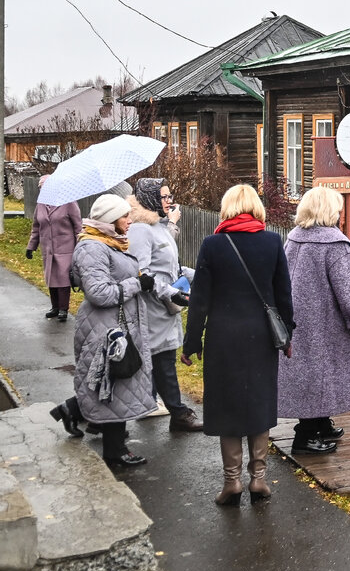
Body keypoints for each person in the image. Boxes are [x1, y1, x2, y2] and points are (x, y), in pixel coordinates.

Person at [181, 184, 293, 506]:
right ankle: (259, 479)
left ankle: (232, 481)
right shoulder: (272, 242)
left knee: (226, 404)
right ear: (256, 208)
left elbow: (199, 298)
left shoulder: (213, 244)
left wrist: (191, 342)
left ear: (227, 208)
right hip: (262, 337)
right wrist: (287, 337)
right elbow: (284, 295)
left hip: (223, 337)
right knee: (260, 401)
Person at [49, 194, 156, 468]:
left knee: (113, 384)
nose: (130, 220)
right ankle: (115, 451)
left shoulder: (110, 242)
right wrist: (136, 284)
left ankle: (72, 412)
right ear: (110, 219)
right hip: (104, 329)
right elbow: (99, 293)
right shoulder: (92, 247)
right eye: (125, 216)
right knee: (113, 384)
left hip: (115, 324)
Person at [278, 186, 350, 456]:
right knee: (322, 376)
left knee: (309, 376)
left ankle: (320, 424)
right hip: (327, 328)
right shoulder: (335, 246)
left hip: (298, 324)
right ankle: (306, 437)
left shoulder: (293, 240)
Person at [127, 178, 202, 432]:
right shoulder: (140, 230)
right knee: (162, 361)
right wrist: (172, 293)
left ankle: (85, 412)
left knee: (156, 361)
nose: (170, 201)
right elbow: (142, 274)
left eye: (170, 196)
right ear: (150, 198)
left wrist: (199, 274)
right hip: (152, 308)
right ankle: (179, 414)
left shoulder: (158, 226)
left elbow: (171, 267)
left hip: (164, 308)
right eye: (164, 197)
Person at [27, 173, 82, 322]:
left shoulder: (68, 202)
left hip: (66, 248)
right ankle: (55, 307)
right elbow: (36, 227)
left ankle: (63, 309)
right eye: (40, 188)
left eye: (44, 188)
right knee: (51, 278)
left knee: (63, 279)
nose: (42, 191)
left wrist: (81, 247)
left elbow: (78, 227)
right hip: (48, 249)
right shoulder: (40, 205)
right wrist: (31, 246)